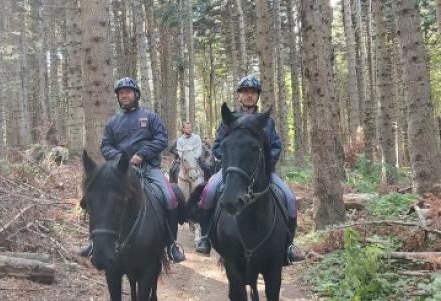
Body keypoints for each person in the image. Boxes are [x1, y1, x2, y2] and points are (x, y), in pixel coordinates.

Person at [195, 75, 304, 264]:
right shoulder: (229, 119)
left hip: (262, 173)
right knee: (208, 191)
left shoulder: (267, 122)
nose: (249, 96)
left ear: (257, 96)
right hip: (232, 171)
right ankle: (206, 237)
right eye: (245, 92)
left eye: (253, 92)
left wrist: (266, 165)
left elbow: (276, 146)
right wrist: (227, 160)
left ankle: (288, 245)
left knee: (289, 198)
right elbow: (218, 145)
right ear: (239, 96)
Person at [79, 77, 185, 263]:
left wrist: (142, 154)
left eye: (128, 92)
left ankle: (171, 244)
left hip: (149, 168)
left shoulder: (150, 117)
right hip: (119, 171)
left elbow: (161, 138)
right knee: (95, 199)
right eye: (121, 93)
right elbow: (106, 146)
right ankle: (94, 243)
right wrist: (121, 159)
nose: (124, 95)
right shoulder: (113, 122)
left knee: (169, 197)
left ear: (136, 94)